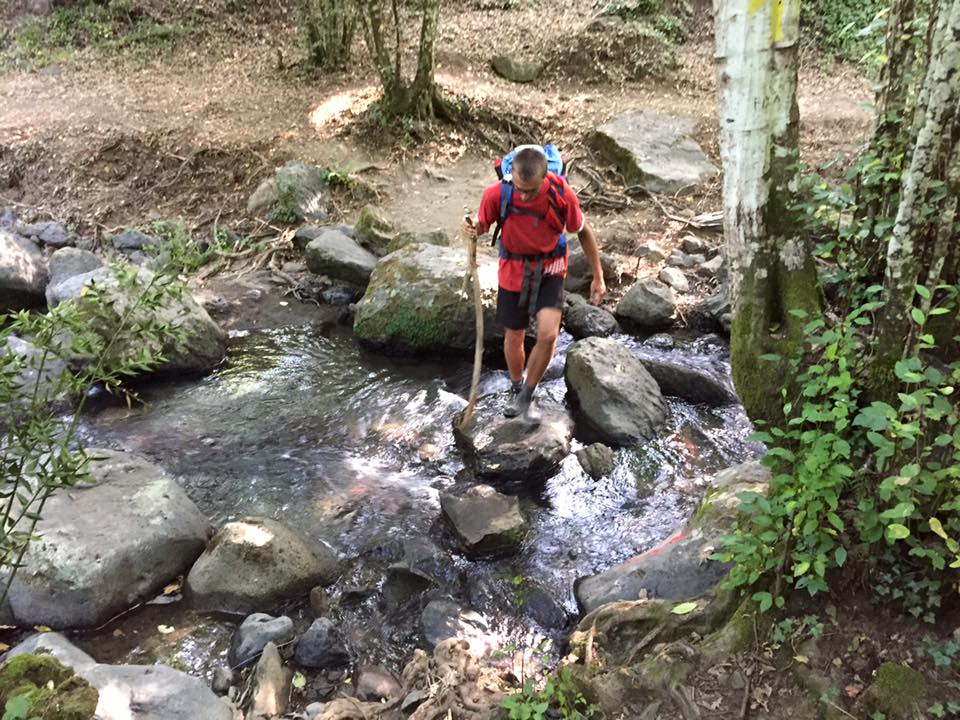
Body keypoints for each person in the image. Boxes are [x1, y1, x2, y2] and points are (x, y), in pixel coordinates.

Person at [462, 145, 607, 419]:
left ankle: (528, 392)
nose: (523, 195)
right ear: (511, 176)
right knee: (514, 334)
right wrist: (474, 228)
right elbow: (484, 223)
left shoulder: (562, 194)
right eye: (519, 188)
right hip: (512, 268)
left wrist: (598, 276)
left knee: (548, 334)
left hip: (550, 267)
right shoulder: (498, 193)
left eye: (530, 190)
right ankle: (516, 385)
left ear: (546, 179)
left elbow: (582, 231)